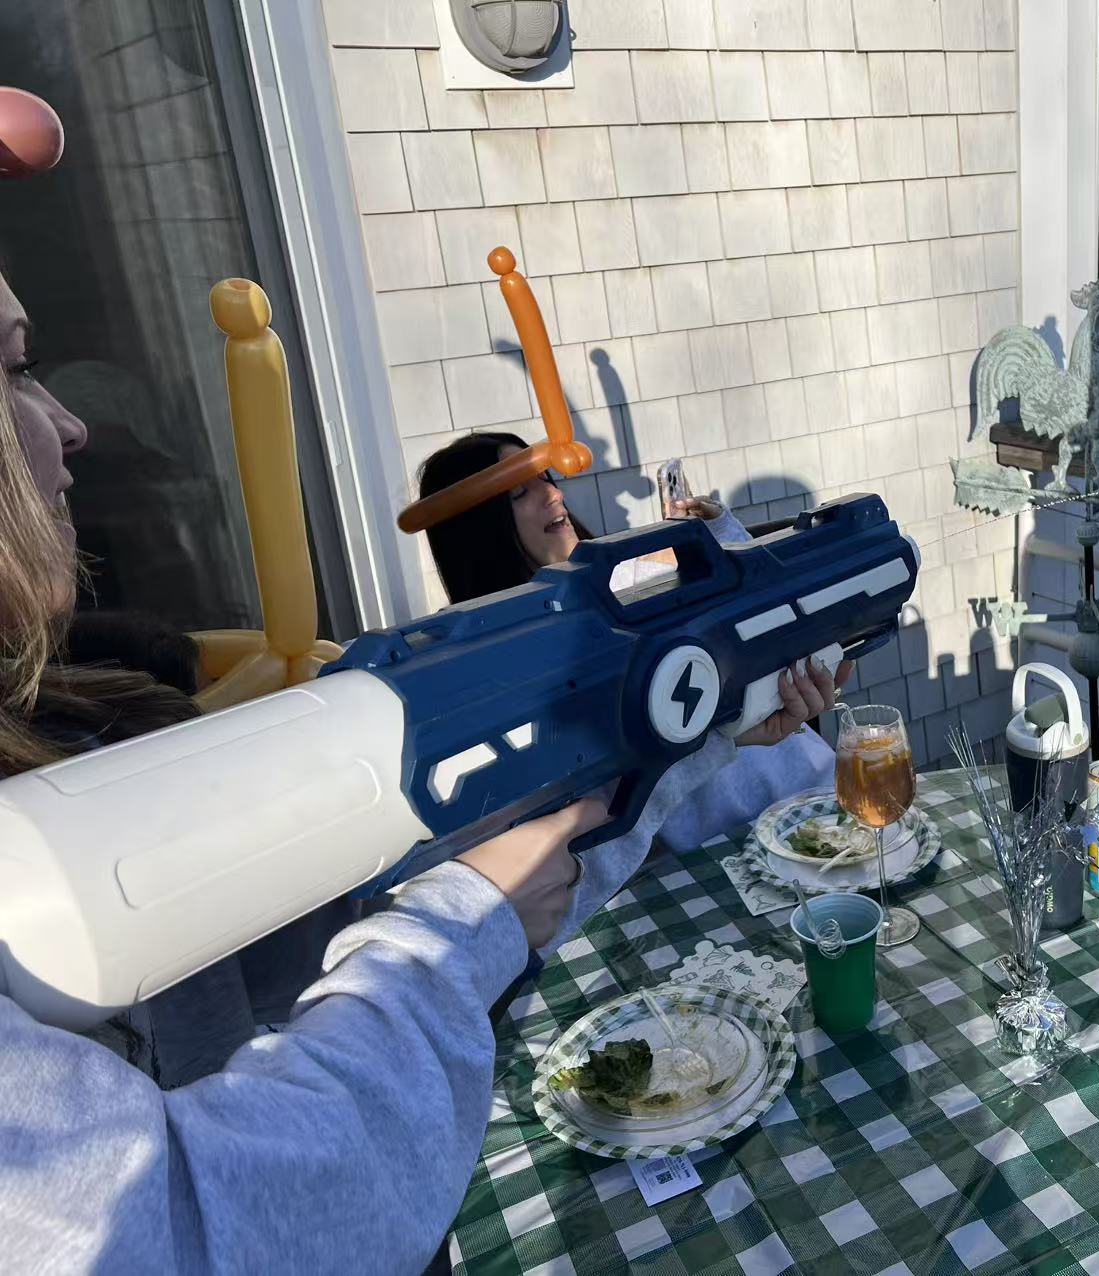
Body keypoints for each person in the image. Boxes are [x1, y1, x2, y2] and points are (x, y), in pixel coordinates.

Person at [0, 285, 841, 1270]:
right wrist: (463, 918)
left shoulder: (90, 724)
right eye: (15, 370)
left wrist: (717, 720)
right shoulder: (74, 828)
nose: (71, 422)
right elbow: (209, 1216)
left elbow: (496, 865)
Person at [417, 431, 841, 846]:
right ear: (478, 533)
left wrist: (717, 531)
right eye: (518, 493)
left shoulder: (635, 572)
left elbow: (761, 607)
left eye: (547, 478)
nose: (554, 495)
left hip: (813, 792)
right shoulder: (494, 668)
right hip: (718, 847)